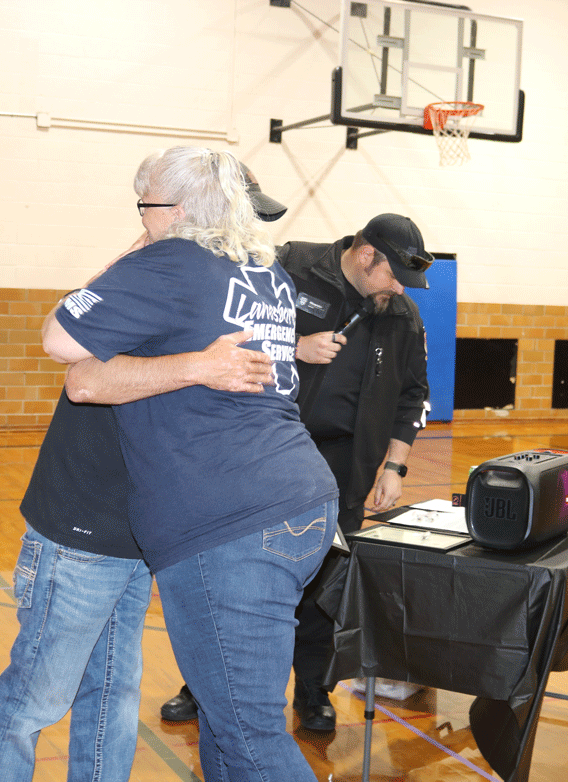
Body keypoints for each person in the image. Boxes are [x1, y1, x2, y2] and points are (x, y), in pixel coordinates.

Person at [0, 163, 286, 782]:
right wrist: (143, 260)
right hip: (82, 524)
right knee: (36, 695)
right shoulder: (159, 270)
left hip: (145, 531)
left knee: (113, 694)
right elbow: (72, 360)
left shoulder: (227, 280)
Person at [42, 146, 339, 782]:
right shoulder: (267, 274)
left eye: (144, 206)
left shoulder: (171, 261)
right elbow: (90, 378)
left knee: (251, 735)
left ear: (174, 209)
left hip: (230, 524)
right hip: (298, 501)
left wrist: (138, 255)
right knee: (226, 726)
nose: (139, 220)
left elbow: (61, 339)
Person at [162, 213, 432, 730]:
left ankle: (313, 690)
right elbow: (219, 340)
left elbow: (413, 395)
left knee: (328, 589)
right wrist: (295, 347)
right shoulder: (285, 268)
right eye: (393, 275)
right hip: (262, 458)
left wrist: (395, 465)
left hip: (342, 473)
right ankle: (203, 689)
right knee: (237, 581)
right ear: (366, 253)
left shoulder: (402, 316)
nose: (399, 289)